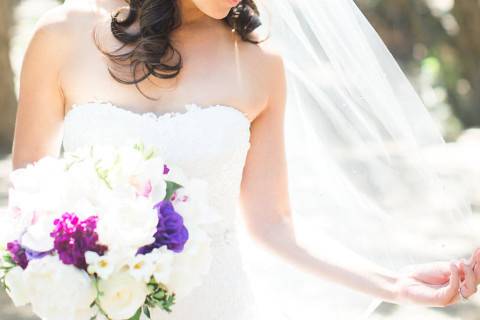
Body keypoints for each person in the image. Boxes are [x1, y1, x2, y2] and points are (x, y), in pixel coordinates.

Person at [10, 0, 480, 319]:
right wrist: (74, 271)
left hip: (219, 304)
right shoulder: (62, 36)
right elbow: (28, 205)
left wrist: (395, 285)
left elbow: (273, 225)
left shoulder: (260, 65)